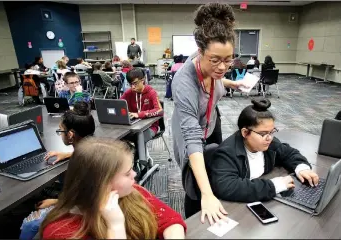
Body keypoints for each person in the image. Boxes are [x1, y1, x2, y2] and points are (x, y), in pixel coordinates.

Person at [171, 3, 248, 223]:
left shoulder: (215, 69)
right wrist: (206, 194)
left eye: (228, 59)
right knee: (195, 184)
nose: (223, 66)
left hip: (211, 120)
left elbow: (216, 79)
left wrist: (232, 84)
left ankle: (216, 199)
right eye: (215, 60)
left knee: (218, 164)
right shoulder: (184, 83)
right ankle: (195, 223)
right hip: (190, 129)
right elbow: (192, 139)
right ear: (200, 51)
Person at [39, 138, 186, 239]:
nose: (134, 174)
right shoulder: (60, 232)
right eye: (127, 173)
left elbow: (171, 221)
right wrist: (115, 226)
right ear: (102, 184)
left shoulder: (131, 192)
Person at [206, 99, 319, 202]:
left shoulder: (269, 143)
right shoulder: (226, 153)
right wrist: (274, 186)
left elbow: (289, 153)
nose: (269, 138)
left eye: (271, 132)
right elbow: (227, 187)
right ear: (245, 132)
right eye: (263, 134)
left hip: (255, 198)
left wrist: (301, 168)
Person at [19, 101, 96, 240]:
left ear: (71, 134)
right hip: (92, 205)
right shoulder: (94, 149)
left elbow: (85, 199)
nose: (60, 135)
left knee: (29, 225)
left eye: (60, 131)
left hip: (87, 212)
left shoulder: (82, 164)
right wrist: (68, 154)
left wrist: (56, 202)